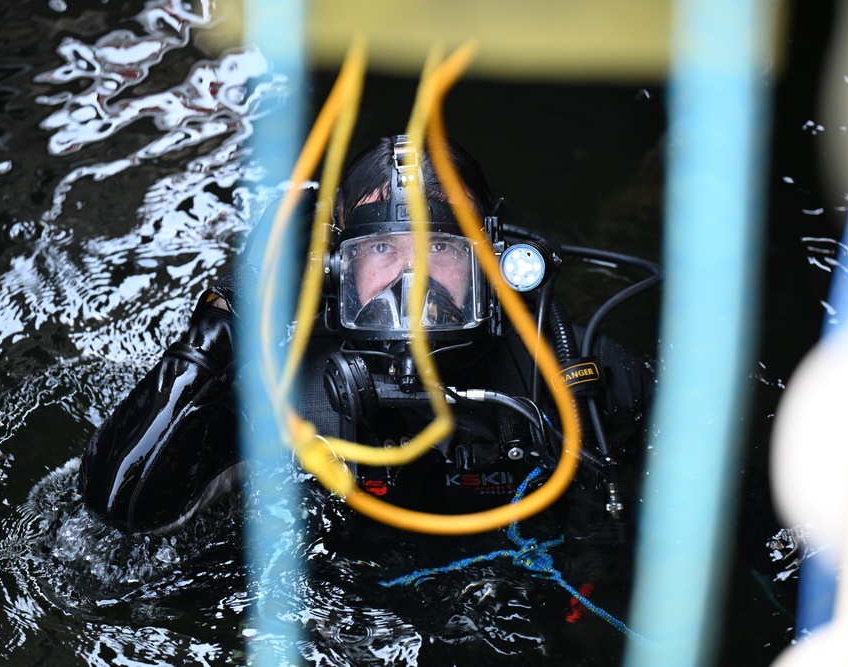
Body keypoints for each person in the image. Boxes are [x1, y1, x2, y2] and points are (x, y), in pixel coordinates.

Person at [79, 135, 655, 541]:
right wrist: (219, 329)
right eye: (382, 249)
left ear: (488, 259)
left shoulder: (585, 375)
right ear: (338, 268)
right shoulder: (283, 390)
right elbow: (123, 509)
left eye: (439, 248)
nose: (412, 281)